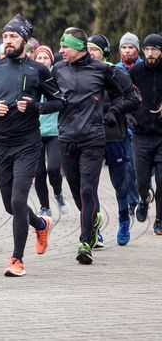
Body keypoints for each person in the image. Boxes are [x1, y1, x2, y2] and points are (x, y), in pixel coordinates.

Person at [0, 14, 62, 277]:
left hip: (28, 143)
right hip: (1, 143)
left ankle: (16, 259)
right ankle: (40, 224)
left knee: (18, 199)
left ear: (24, 39)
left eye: (13, 36)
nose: (8, 41)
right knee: (9, 206)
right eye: (5, 37)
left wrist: (36, 107)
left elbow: (59, 102)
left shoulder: (38, 70)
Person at [54, 27, 123, 265]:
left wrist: (113, 111)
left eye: (65, 46)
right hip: (66, 138)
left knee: (87, 190)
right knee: (76, 191)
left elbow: (121, 95)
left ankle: (85, 241)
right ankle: (92, 218)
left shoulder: (102, 70)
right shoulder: (58, 69)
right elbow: (49, 95)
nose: (61, 50)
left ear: (79, 48)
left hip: (93, 139)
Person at [87, 34, 141, 245]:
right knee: (90, 186)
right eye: (88, 48)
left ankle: (124, 219)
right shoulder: (81, 73)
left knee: (120, 184)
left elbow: (135, 99)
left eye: (95, 49)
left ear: (105, 53)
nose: (91, 53)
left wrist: (115, 110)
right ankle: (94, 229)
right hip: (89, 137)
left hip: (115, 136)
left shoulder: (115, 72)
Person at [129, 34, 162, 235]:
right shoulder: (135, 71)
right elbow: (124, 96)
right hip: (141, 135)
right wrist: (132, 118)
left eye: (154, 50)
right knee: (141, 181)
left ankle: (159, 220)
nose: (150, 54)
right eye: (147, 50)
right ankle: (144, 198)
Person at [32, 45, 69, 217]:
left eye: (45, 58)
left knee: (53, 168)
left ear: (51, 61)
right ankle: (44, 206)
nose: (42, 61)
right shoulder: (29, 76)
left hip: (55, 130)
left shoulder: (58, 77)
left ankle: (58, 193)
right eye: (39, 58)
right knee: (38, 172)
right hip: (35, 131)